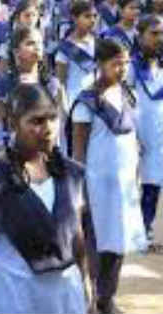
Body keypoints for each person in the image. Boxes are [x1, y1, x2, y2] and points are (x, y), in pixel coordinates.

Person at [0, 83, 88, 314]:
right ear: (13, 124)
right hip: (16, 300)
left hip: (67, 299)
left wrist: (87, 291)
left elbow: (77, 239)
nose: (48, 128)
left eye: (53, 118)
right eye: (36, 121)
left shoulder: (70, 174)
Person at [72, 39, 147, 314]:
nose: (122, 69)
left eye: (125, 63)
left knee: (118, 241)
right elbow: (79, 151)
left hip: (124, 183)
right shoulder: (87, 102)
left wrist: (136, 176)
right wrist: (80, 190)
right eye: (116, 64)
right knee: (96, 242)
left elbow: (133, 139)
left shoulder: (128, 95)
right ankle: (91, 299)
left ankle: (107, 297)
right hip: (97, 184)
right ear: (100, 64)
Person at [128, 15, 163, 247]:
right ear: (139, 36)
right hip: (139, 134)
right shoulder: (129, 67)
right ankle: (136, 231)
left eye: (162, 34)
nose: (159, 39)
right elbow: (124, 103)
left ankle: (149, 229)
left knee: (154, 182)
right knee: (137, 184)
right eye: (154, 34)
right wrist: (132, 135)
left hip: (159, 132)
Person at [55, 0, 98, 107]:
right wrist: (63, 107)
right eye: (87, 16)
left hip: (96, 101)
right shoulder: (65, 48)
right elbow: (61, 82)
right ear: (74, 18)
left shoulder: (99, 43)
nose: (92, 20)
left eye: (94, 16)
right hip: (75, 101)